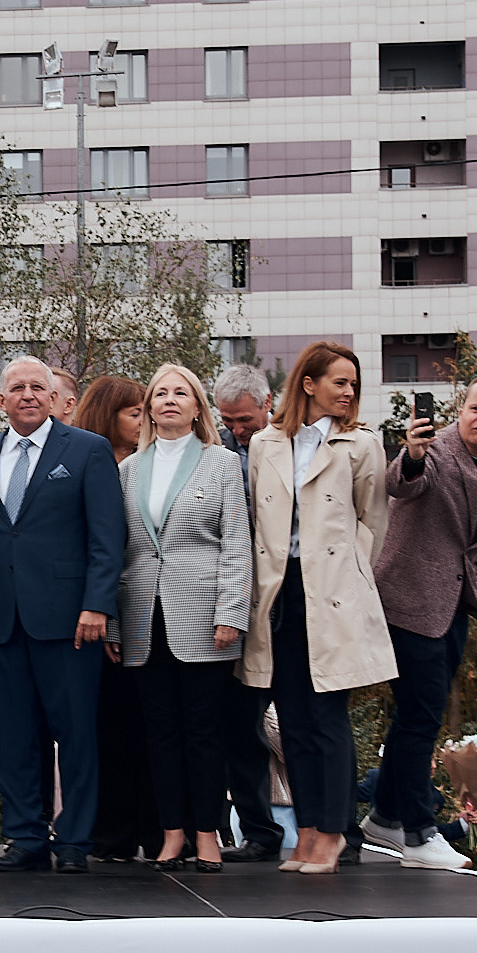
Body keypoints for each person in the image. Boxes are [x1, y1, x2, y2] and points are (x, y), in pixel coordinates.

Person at [0, 356, 127, 874]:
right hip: (1, 621)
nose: (28, 395)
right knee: (13, 735)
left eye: (38, 387)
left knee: (74, 734)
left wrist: (97, 603)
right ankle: (27, 836)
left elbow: (107, 537)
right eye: (17, 388)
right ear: (0, 399)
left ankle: (74, 840)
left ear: (55, 399)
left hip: (70, 620)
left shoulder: (88, 451)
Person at [238, 341, 393, 875]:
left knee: (328, 718)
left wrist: (349, 574)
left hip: (333, 594)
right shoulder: (265, 443)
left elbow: (373, 519)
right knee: (292, 720)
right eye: (338, 382)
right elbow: (260, 522)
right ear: (308, 384)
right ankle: (304, 832)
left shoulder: (363, 445)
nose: (348, 392)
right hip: (280, 592)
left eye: (353, 383)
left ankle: (333, 833)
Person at [364, 375, 477, 871]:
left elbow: (476, 542)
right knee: (422, 717)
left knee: (413, 713)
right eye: (476, 408)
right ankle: (417, 830)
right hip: (408, 599)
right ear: (461, 409)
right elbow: (401, 483)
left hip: (454, 606)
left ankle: (384, 816)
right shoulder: (433, 451)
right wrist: (410, 452)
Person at [107, 365, 252, 873]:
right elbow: (119, 551)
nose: (170, 400)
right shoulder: (128, 470)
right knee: (160, 733)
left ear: (197, 407)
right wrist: (116, 626)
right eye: (160, 393)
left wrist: (232, 612)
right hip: (143, 617)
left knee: (205, 732)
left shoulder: (222, 462)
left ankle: (208, 835)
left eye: (181, 393)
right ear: (148, 408)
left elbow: (237, 543)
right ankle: (172, 835)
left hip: (206, 618)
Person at [72, 377, 160, 863]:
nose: (144, 420)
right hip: (102, 618)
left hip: (151, 616)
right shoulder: (93, 463)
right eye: (134, 413)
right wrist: (103, 612)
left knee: (152, 728)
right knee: (110, 729)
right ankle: (113, 833)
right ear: (109, 416)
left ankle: (157, 827)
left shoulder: (151, 465)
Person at [209, 364, 284, 862]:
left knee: (296, 725)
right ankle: (257, 831)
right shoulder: (216, 452)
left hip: (280, 605)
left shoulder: (286, 447)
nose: (238, 430)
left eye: (245, 420)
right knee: (239, 727)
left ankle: (335, 829)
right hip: (230, 609)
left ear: (268, 404)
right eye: (229, 421)